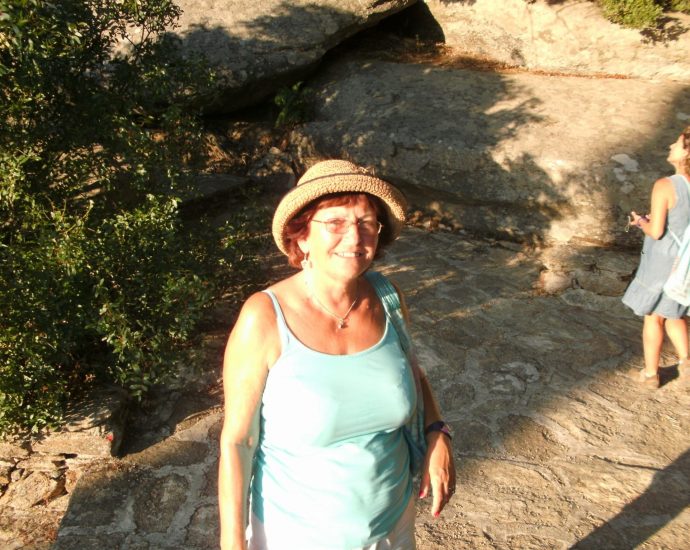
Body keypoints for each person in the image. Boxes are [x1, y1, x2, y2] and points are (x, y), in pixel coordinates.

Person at [218, 159, 456, 550]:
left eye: (366, 223)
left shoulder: (387, 298)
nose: (354, 237)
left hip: (393, 529)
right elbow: (238, 441)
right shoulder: (264, 317)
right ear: (302, 237)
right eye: (335, 222)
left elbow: (412, 372)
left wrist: (437, 431)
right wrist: (232, 544)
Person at [622, 126, 690, 388]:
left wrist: (641, 222)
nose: (671, 146)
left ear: (686, 153)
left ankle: (651, 375)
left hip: (662, 261)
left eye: (677, 143)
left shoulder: (665, 185)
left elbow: (657, 231)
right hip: (685, 261)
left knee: (653, 317)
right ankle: (686, 363)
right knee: (674, 313)